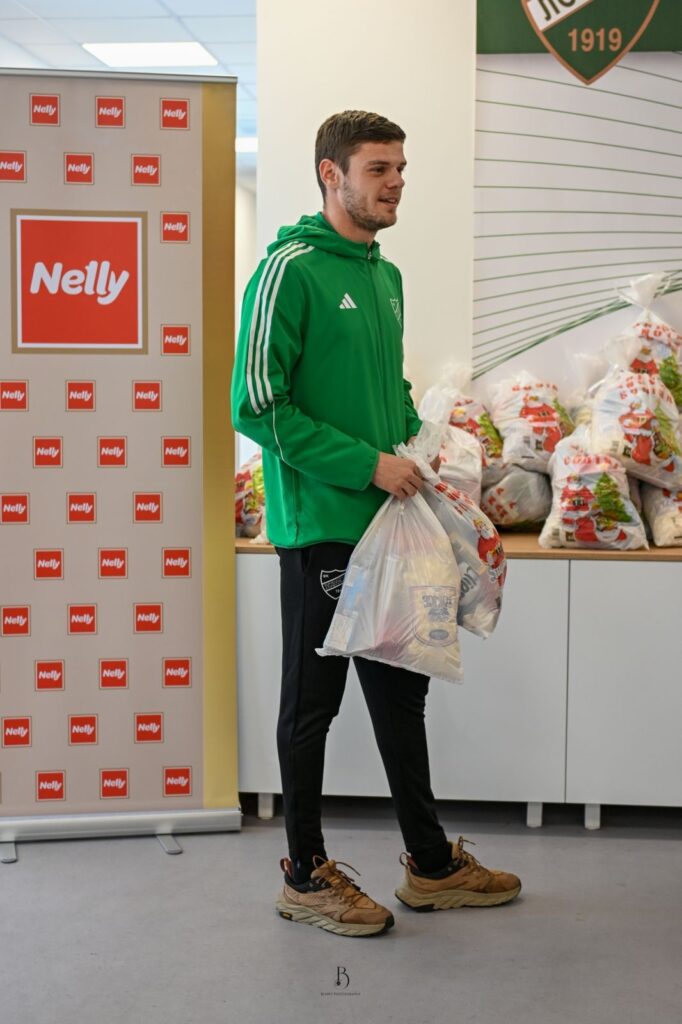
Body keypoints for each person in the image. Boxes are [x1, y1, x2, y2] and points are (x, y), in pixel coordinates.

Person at [231, 110, 521, 937]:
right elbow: (257, 405)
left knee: (401, 697)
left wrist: (425, 455)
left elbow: (385, 389)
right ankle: (304, 874)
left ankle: (430, 866)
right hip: (322, 526)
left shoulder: (384, 274)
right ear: (332, 174)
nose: (396, 183)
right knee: (312, 708)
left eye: (400, 168)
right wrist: (367, 464)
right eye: (378, 169)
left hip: (394, 525)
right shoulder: (288, 270)